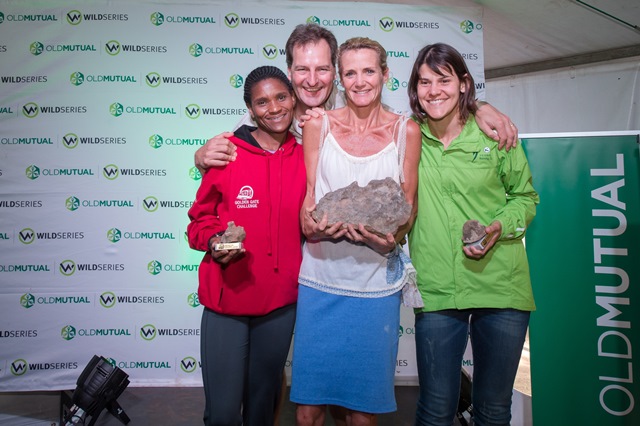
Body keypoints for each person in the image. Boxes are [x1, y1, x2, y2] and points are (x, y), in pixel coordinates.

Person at [290, 37, 422, 426]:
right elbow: (308, 199)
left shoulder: (406, 131)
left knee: (362, 414)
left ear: (384, 74)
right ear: (339, 79)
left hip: (374, 286)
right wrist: (310, 222)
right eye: (350, 72)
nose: (360, 81)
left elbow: (408, 208)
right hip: (319, 279)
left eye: (369, 71)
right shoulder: (318, 124)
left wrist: (393, 237)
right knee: (307, 412)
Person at [406, 43, 540, 426]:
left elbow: (526, 198)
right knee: (434, 410)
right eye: (424, 82)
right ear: (415, 90)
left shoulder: (495, 135)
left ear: (464, 84)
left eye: (444, 80)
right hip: (437, 288)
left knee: (494, 409)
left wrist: (500, 227)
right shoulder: (408, 136)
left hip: (501, 285)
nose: (433, 90)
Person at [194, 23, 519, 171]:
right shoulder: (266, 115)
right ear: (289, 70)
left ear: (335, 73)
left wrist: (478, 106)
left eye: (322, 69)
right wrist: (201, 155)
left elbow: (427, 115)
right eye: (302, 69)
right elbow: (227, 153)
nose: (311, 80)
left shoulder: (354, 105)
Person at [186, 65, 306, 426]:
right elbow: (198, 222)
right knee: (223, 414)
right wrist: (216, 241)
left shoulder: (306, 156)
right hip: (228, 301)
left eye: (281, 97)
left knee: (261, 410)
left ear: (293, 98)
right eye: (262, 102)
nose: (274, 108)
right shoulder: (227, 154)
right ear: (251, 109)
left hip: (280, 303)